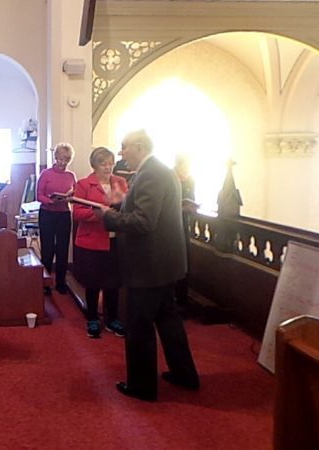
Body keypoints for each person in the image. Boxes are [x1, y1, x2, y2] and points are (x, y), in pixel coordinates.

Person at [98, 130, 199, 402]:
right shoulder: (159, 171)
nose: (121, 153)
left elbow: (143, 222)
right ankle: (185, 374)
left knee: (139, 326)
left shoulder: (151, 174)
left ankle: (142, 386)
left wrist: (109, 217)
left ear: (139, 147)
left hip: (149, 266)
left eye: (124, 147)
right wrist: (121, 205)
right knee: (168, 320)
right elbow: (149, 212)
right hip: (164, 264)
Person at [72, 147, 128, 339]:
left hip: (114, 240)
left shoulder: (120, 182)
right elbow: (77, 213)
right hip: (92, 241)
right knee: (93, 282)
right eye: (103, 164)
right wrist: (98, 214)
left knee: (113, 282)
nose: (108, 167)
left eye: (110, 163)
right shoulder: (84, 184)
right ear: (94, 165)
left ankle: (112, 319)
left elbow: (127, 207)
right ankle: (93, 318)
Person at [36, 143, 77, 294]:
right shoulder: (45, 174)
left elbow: (75, 194)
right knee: (47, 249)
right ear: (55, 157)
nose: (63, 163)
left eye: (66, 160)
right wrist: (50, 201)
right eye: (60, 159)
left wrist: (69, 197)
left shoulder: (71, 176)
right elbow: (39, 195)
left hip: (64, 214)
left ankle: (61, 282)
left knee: (62, 249)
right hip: (47, 213)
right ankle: (45, 283)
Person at [174, 154, 197, 309]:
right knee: (173, 261)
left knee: (185, 262)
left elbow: (191, 198)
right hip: (171, 225)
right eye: (185, 165)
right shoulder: (170, 178)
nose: (187, 169)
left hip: (184, 224)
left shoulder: (190, 180)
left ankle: (182, 301)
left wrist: (191, 206)